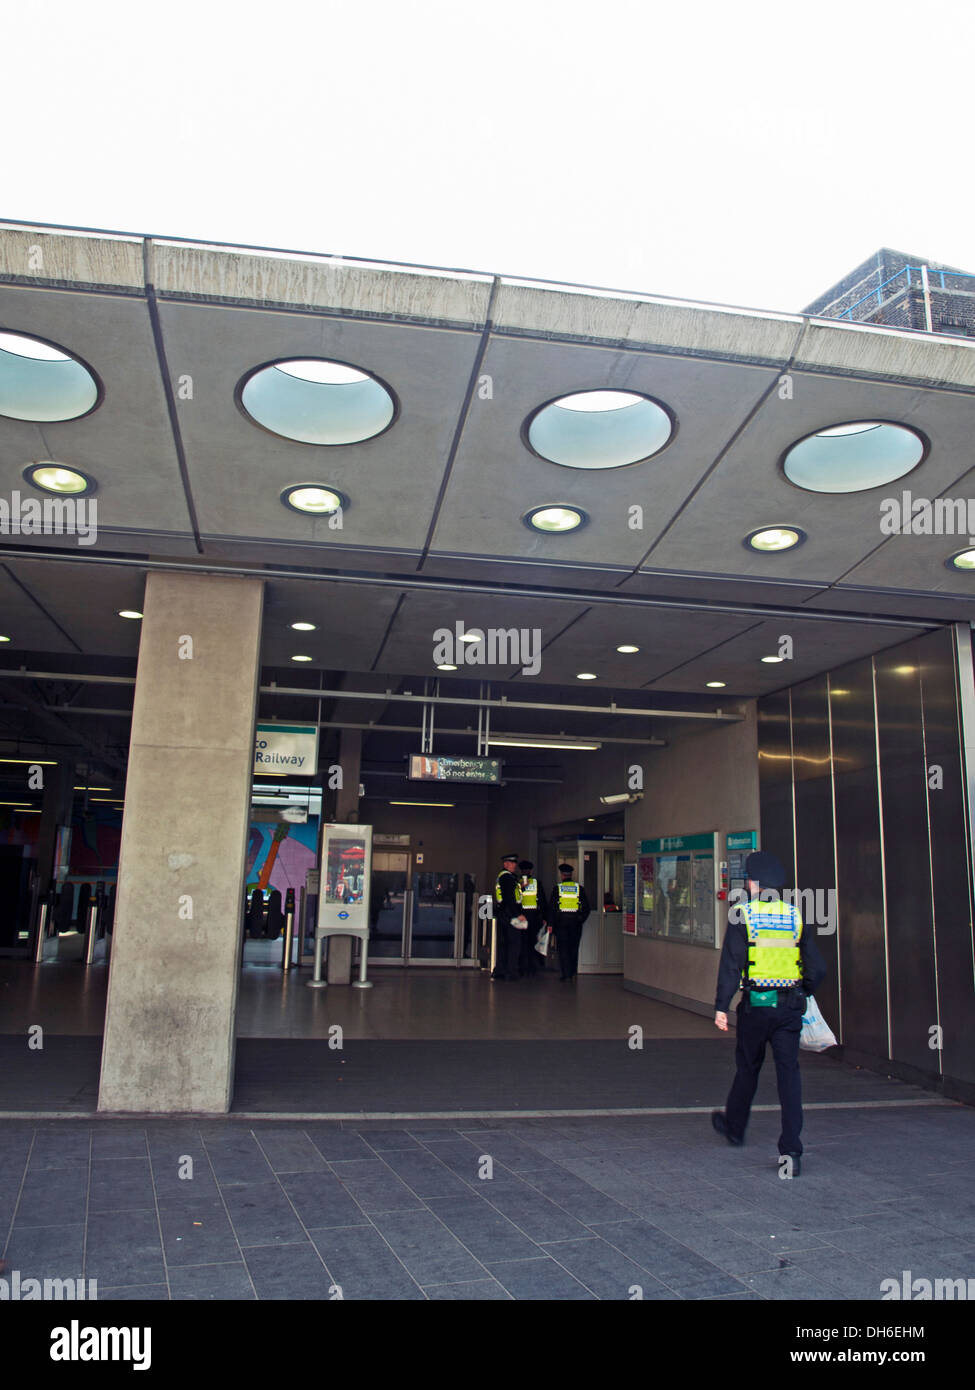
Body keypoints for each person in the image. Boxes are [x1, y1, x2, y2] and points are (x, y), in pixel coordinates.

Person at [711, 850, 826, 1175]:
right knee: (789, 1074)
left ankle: (734, 1126)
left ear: (754, 882)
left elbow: (731, 966)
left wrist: (721, 1006)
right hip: (789, 1007)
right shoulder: (794, 916)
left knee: (748, 1067)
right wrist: (802, 989)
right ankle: (791, 1149)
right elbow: (817, 967)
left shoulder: (742, 915)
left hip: (757, 1005)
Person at [548, 863, 590, 981]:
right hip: (575, 923)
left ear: (562, 875)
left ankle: (565, 973)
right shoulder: (579, 888)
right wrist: (580, 919)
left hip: (561, 923)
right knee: (573, 947)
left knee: (563, 949)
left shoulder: (557, 889)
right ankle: (572, 972)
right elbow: (587, 908)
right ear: (571, 875)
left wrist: (550, 924)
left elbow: (551, 908)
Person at [492, 853, 523, 980]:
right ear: (505, 864)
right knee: (514, 944)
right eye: (512, 863)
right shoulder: (507, 878)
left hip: (503, 914)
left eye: (515, 863)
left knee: (504, 943)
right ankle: (511, 972)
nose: (514, 865)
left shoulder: (504, 877)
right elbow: (510, 898)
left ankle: (500, 970)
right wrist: (518, 915)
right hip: (510, 915)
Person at [517, 860, 547, 977]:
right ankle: (531, 967)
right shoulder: (536, 883)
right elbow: (542, 902)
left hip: (521, 916)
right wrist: (543, 916)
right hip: (533, 917)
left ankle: (522, 967)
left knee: (522, 942)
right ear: (530, 871)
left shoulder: (517, 883)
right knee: (532, 943)